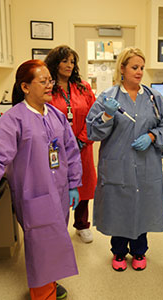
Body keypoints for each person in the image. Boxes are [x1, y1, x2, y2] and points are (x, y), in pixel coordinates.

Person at [0, 59, 82, 300]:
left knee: (55, 240)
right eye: (43, 81)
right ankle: (43, 294)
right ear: (25, 87)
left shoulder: (55, 115)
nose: (49, 85)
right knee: (41, 246)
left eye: (50, 80)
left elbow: (70, 150)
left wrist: (74, 183)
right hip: (34, 195)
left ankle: (51, 285)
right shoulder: (13, 119)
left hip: (58, 191)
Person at [86, 47, 163, 272]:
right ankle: (118, 252)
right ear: (123, 69)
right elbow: (92, 132)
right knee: (119, 207)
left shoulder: (154, 98)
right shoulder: (108, 97)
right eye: (134, 67)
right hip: (119, 164)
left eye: (141, 68)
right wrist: (107, 115)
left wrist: (152, 135)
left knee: (142, 207)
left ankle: (139, 251)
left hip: (147, 165)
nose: (139, 72)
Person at [45, 45, 97, 244]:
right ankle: (58, 226)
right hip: (56, 147)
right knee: (57, 184)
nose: (69, 65)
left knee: (83, 184)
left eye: (72, 62)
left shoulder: (83, 87)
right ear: (54, 63)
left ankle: (82, 224)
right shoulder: (48, 88)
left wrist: (82, 139)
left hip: (82, 145)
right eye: (64, 61)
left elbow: (93, 116)